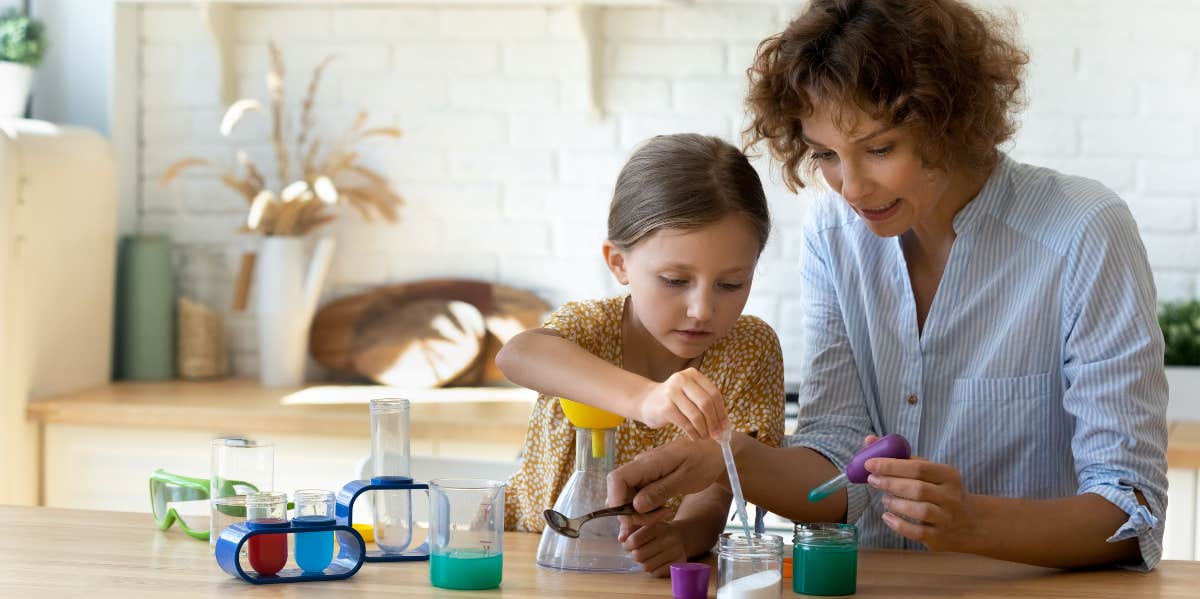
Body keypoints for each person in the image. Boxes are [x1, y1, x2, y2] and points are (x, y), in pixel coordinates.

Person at [606, 0, 1168, 572]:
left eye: (879, 149)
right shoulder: (835, 233)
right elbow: (837, 468)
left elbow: (1132, 511)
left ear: (949, 120)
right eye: (825, 154)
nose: (850, 187)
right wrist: (726, 459)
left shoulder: (1082, 231)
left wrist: (971, 522)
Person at [496, 133, 786, 576]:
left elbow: (717, 488)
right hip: (526, 559)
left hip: (637, 575)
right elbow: (518, 354)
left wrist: (680, 538)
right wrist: (645, 398)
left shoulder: (749, 349)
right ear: (619, 263)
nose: (702, 310)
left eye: (731, 285)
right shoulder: (589, 328)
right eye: (674, 280)